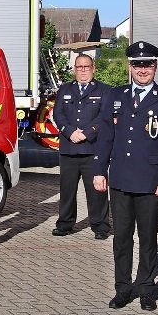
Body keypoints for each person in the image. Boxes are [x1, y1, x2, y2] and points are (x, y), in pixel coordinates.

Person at [92, 41, 158, 311]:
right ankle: (122, 288)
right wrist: (99, 170)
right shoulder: (115, 96)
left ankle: (146, 289)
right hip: (120, 179)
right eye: (138, 65)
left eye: (148, 65)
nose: (143, 70)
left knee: (148, 237)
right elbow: (105, 136)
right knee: (121, 237)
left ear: (156, 67)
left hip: (151, 182)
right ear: (130, 67)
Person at [52, 53, 112, 239]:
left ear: (93, 68)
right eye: (79, 67)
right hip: (69, 148)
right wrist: (70, 132)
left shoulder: (104, 90)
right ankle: (65, 224)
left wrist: (87, 133)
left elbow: (105, 117)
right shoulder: (65, 89)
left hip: (92, 149)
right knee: (67, 190)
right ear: (74, 69)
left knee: (96, 191)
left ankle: (100, 227)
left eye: (87, 67)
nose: (83, 70)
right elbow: (58, 114)